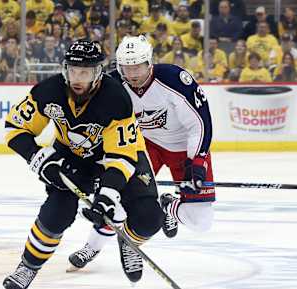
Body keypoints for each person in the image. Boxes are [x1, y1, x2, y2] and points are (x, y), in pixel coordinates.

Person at [2, 40, 165, 289]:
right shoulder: (49, 91)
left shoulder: (116, 99)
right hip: (72, 159)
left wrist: (108, 194)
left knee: (149, 217)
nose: (78, 78)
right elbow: (14, 128)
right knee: (57, 214)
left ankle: (130, 242)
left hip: (120, 157)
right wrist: (39, 160)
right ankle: (28, 266)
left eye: (85, 72)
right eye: (73, 71)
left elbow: (121, 157)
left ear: (98, 73)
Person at [68, 35, 215, 272]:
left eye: (137, 66)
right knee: (115, 199)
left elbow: (200, 123)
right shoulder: (112, 85)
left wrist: (196, 162)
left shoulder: (174, 80)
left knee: (202, 221)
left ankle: (169, 207)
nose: (133, 73)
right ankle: (92, 246)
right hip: (142, 146)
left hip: (184, 148)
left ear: (149, 63)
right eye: (127, 67)